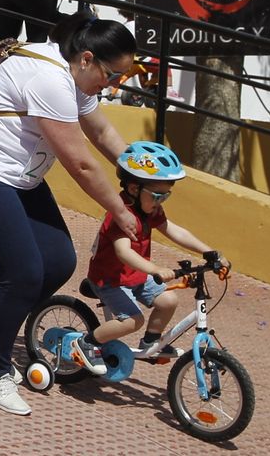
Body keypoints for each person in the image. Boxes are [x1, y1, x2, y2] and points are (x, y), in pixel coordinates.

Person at [0, 12, 140, 416]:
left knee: (58, 260)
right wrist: (119, 208)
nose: (112, 86)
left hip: (15, 178)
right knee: (23, 273)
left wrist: (141, 171)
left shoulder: (73, 75)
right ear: (87, 59)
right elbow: (80, 162)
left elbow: (102, 133)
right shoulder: (49, 78)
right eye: (112, 75)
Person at [73, 141, 222, 373]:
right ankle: (86, 343)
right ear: (134, 189)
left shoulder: (150, 209)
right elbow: (123, 252)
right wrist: (154, 269)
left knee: (168, 301)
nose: (160, 202)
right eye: (157, 196)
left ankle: (150, 342)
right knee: (133, 320)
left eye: (166, 197)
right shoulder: (121, 213)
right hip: (109, 279)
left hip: (137, 277)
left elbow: (174, 230)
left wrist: (210, 252)